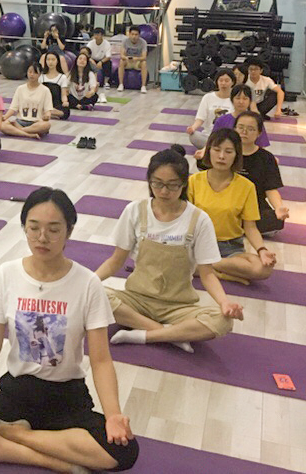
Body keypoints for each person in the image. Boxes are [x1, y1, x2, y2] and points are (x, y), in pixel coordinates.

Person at [0, 187, 138, 472]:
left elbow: (100, 360)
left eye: (54, 229)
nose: (42, 237)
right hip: (17, 393)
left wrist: (113, 415)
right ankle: (53, 460)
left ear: (69, 231)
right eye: (34, 228)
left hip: (66, 398)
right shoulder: (8, 274)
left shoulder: (88, 283)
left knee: (123, 451)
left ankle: (16, 435)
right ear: (24, 227)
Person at [95, 146, 242, 353]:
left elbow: (207, 274)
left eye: (172, 185)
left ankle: (142, 335)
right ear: (149, 181)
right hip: (137, 299)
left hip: (178, 305)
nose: (164, 191)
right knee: (95, 295)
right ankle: (169, 334)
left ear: (184, 183)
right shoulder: (135, 210)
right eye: (157, 183)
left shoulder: (199, 220)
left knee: (222, 320)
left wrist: (224, 303)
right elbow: (115, 261)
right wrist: (90, 282)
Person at [188, 128, 276, 283]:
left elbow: (250, 227)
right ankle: (219, 272)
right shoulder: (193, 181)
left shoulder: (247, 186)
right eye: (217, 150)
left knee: (262, 269)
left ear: (236, 155)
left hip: (230, 248)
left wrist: (262, 250)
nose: (222, 156)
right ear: (208, 151)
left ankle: (206, 266)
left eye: (228, 151)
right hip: (198, 244)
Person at [235, 112, 289, 234]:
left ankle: (235, 225)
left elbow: (271, 189)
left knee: (276, 220)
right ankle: (244, 226)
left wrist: (278, 207)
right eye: (241, 127)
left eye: (250, 129)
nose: (244, 132)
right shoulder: (227, 151)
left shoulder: (266, 158)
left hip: (254, 205)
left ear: (259, 133)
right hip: (227, 201)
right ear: (234, 129)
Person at [195, 84, 271, 160]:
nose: (241, 102)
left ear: (250, 101)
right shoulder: (221, 120)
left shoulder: (256, 121)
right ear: (232, 100)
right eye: (238, 98)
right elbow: (212, 141)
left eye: (245, 98)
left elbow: (261, 145)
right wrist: (203, 151)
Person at [186, 69, 235, 149]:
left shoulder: (235, 99)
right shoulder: (208, 97)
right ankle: (216, 147)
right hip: (209, 136)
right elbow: (200, 118)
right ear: (216, 82)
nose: (223, 83)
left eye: (227, 81)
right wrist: (193, 128)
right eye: (221, 80)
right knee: (194, 136)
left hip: (227, 137)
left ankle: (211, 148)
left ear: (232, 82)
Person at [2, 62, 53, 138]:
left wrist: (47, 116)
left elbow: (48, 110)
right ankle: (29, 134)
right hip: (20, 121)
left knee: (46, 125)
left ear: (40, 74)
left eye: (35, 72)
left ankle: (19, 131)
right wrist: (5, 117)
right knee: (2, 125)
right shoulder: (20, 88)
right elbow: (13, 108)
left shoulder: (45, 90)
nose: (32, 74)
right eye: (30, 72)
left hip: (36, 122)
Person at [39, 50, 71, 120]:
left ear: (57, 61)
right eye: (48, 60)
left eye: (53, 60)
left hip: (56, 105)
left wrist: (65, 101)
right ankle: (48, 113)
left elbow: (63, 94)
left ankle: (48, 113)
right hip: (44, 103)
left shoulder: (62, 77)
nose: (50, 62)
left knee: (66, 112)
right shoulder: (41, 76)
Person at [117, 25, 148, 93]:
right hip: (128, 61)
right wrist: (127, 58)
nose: (134, 36)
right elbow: (122, 55)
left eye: (136, 35)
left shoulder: (143, 42)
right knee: (121, 61)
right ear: (129, 34)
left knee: (144, 63)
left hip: (137, 62)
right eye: (132, 34)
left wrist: (136, 58)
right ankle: (121, 84)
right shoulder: (125, 41)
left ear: (139, 35)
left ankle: (143, 86)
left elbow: (144, 57)